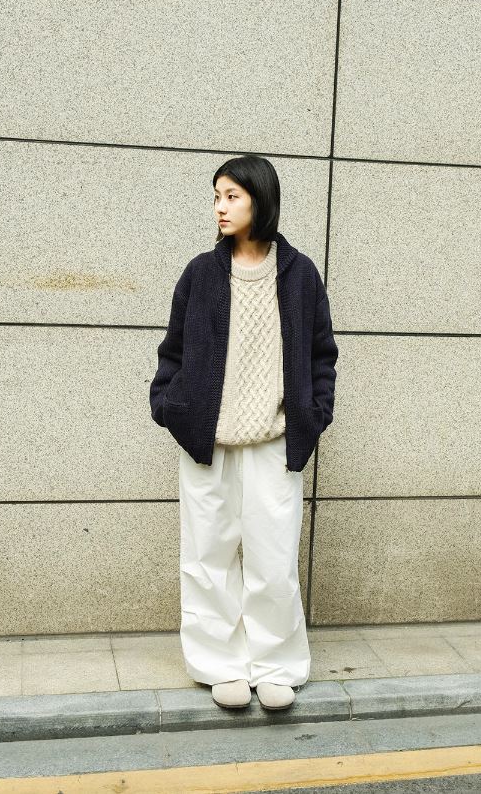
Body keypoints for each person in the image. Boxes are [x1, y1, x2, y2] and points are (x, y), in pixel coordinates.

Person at [149, 154, 338, 711]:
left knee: (272, 558)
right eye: (216, 197)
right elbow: (174, 351)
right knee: (207, 556)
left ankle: (277, 663)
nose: (220, 207)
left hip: (275, 441)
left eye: (231, 195)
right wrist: (169, 406)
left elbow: (321, 353)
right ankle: (219, 664)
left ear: (261, 198)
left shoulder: (298, 273)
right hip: (206, 441)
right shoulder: (200, 273)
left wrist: (315, 411)